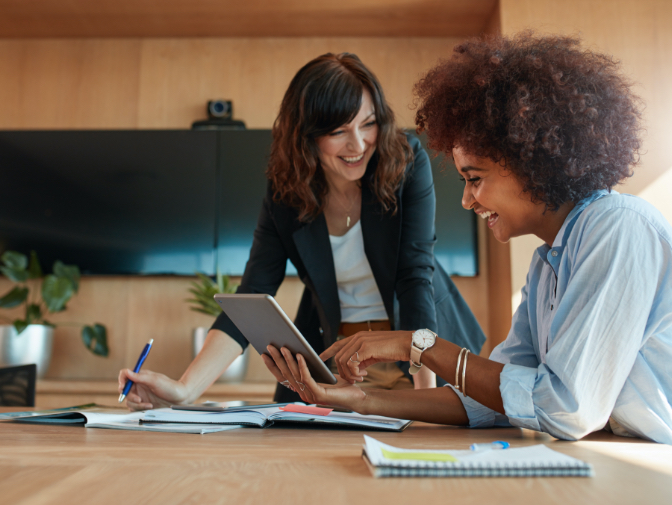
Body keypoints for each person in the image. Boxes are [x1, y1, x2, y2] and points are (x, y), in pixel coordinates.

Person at [265, 33, 672, 445]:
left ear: (531, 161)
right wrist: (362, 401)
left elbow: (563, 407)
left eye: (474, 179)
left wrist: (417, 344)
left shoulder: (618, 228)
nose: (466, 200)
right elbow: (495, 400)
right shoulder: (547, 264)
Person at [119, 52, 484, 410]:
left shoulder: (405, 160)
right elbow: (253, 293)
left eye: (368, 123)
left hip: (421, 356)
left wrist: (425, 398)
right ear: (307, 136)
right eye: (339, 131)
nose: (358, 144)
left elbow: (414, 275)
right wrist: (184, 390)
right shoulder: (287, 191)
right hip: (340, 365)